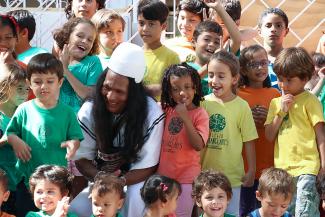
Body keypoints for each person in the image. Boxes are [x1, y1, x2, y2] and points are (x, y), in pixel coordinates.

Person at [69, 42, 165, 217]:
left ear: (134, 92)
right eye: (107, 87)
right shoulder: (90, 110)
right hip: (100, 181)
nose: (110, 96)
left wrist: (119, 182)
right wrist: (101, 178)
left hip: (136, 181)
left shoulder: (152, 113)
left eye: (120, 92)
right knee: (75, 209)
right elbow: (82, 159)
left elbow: (149, 166)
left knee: (135, 198)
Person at [5, 53, 83, 217]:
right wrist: (16, 141)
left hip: (55, 182)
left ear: (60, 82)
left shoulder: (67, 113)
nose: (43, 86)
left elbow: (76, 138)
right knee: (26, 212)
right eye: (37, 82)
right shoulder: (24, 110)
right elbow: (10, 134)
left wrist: (73, 144)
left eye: (50, 81)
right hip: (27, 180)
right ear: (29, 84)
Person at [265, 47, 325, 217]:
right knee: (287, 212)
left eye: (289, 80)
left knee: (304, 211)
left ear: (305, 78)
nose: (283, 85)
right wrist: (281, 112)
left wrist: (323, 164)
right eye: (280, 79)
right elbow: (269, 136)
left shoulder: (310, 101)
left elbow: (321, 134)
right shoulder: (275, 103)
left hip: (308, 167)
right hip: (283, 169)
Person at [201, 50, 257, 216]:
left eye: (221, 76)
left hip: (231, 179)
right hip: (204, 177)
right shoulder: (203, 103)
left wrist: (251, 170)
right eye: (211, 75)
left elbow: (249, 140)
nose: (214, 81)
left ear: (234, 79)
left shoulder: (242, 106)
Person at [157, 63, 209, 217]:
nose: (182, 92)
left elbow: (198, 145)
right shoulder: (165, 109)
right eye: (175, 89)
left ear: (195, 88)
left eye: (187, 87)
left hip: (187, 179)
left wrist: (185, 117)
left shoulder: (200, 114)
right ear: (169, 91)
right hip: (164, 176)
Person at [237, 45, 280, 216]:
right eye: (254, 64)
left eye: (264, 63)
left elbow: (281, 130)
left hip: (269, 168)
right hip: (245, 169)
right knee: (245, 211)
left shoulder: (275, 94)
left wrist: (267, 122)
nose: (261, 67)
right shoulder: (236, 94)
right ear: (243, 70)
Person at [53, 17, 103, 113]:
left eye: (90, 40)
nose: (84, 41)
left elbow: (88, 95)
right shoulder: (55, 63)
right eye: (80, 36)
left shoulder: (93, 62)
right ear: (67, 37)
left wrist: (65, 70)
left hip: (80, 123)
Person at [0, 63, 29, 215]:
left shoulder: (25, 115)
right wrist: (6, 139)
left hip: (20, 183)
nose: (24, 94)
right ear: (4, 87)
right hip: (3, 187)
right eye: (19, 89)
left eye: (27, 89)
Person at [137, 0, 180, 99]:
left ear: (163, 26)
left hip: (161, 112)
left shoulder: (171, 57)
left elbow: (174, 88)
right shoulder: (133, 54)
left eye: (151, 24)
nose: (145, 29)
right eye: (141, 23)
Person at [187, 20, 223, 96]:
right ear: (193, 42)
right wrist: (211, 64)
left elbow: (236, 40)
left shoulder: (223, 69)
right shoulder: (185, 67)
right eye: (206, 39)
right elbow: (187, 82)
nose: (212, 44)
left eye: (216, 42)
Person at [258, 8, 289, 89]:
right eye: (268, 26)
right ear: (259, 31)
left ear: (286, 31)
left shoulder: (293, 60)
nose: (273, 29)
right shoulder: (251, 60)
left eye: (278, 25)